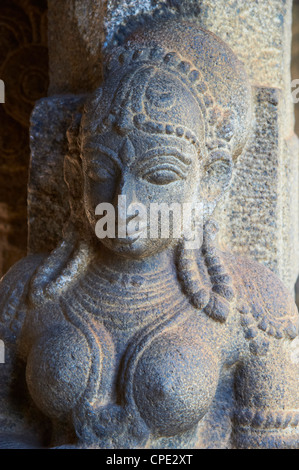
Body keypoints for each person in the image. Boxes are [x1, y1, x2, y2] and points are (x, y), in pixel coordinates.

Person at [0, 18, 298, 449]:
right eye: (101, 172)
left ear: (210, 180)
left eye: (158, 176)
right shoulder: (22, 293)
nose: (123, 204)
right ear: (74, 174)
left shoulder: (252, 308)